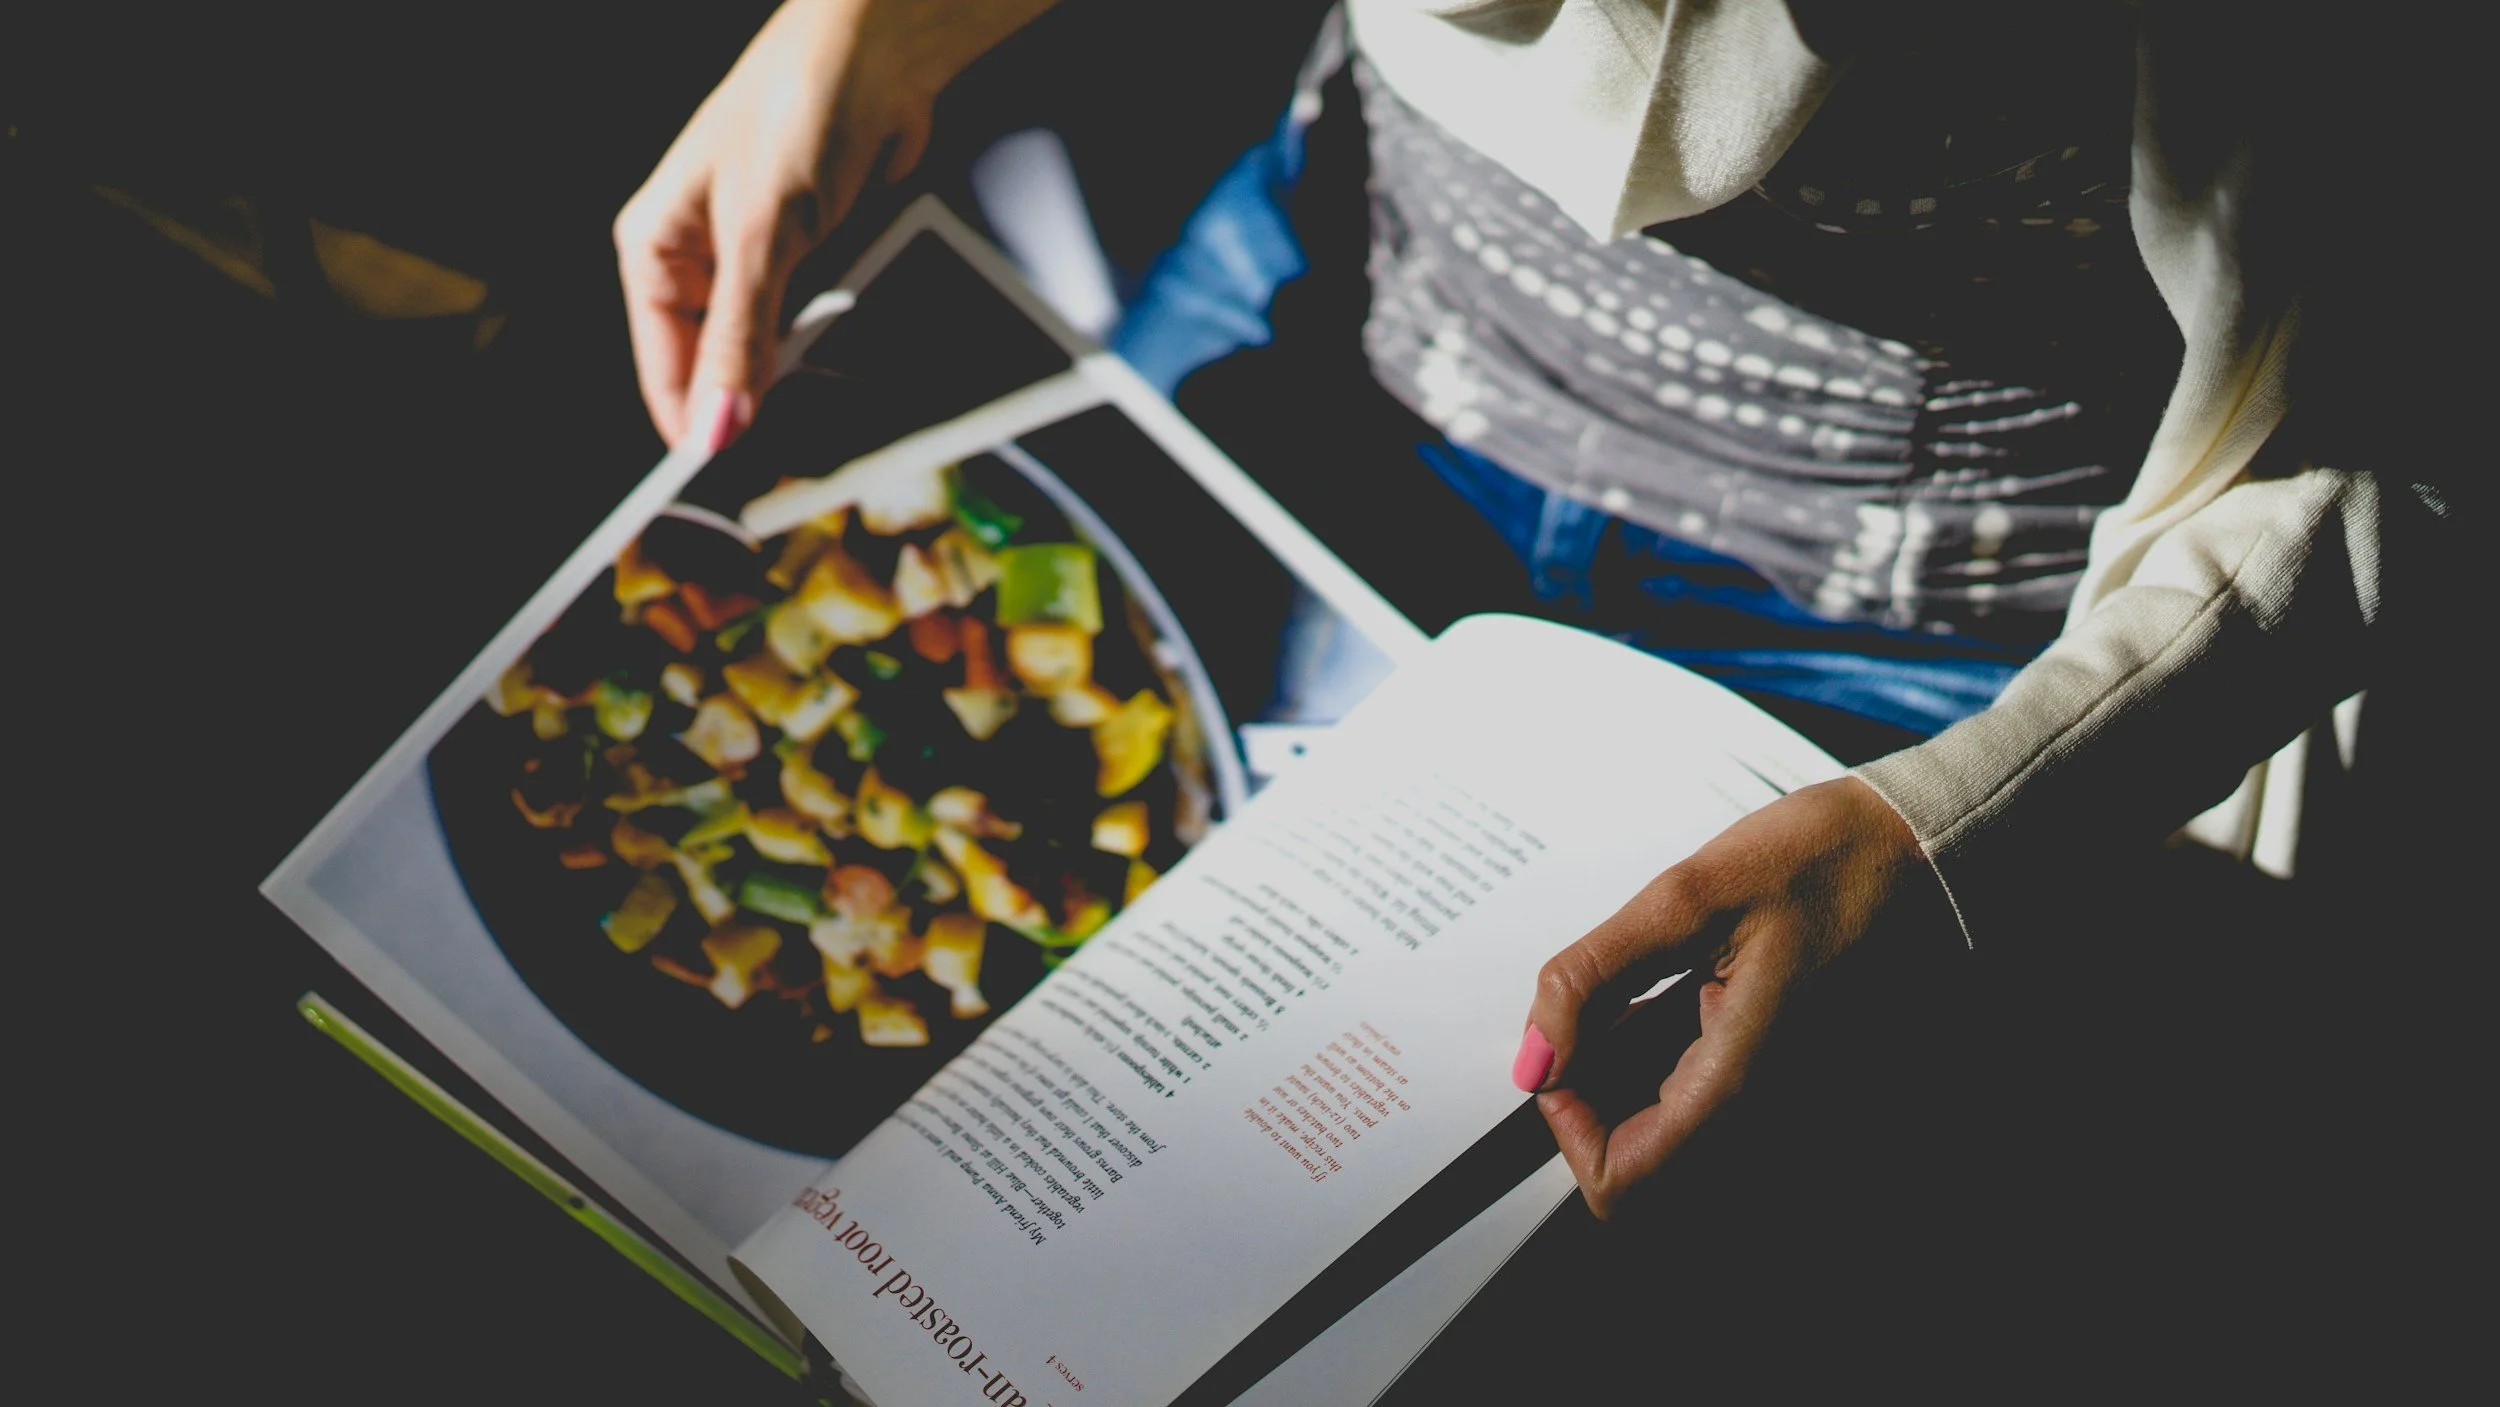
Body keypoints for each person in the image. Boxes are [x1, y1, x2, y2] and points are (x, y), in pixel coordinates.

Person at [616, 1, 2461, 1377]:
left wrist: (1960, 823)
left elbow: (2406, 429)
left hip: (1939, 609)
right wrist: (860, 32)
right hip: (1347, 294)